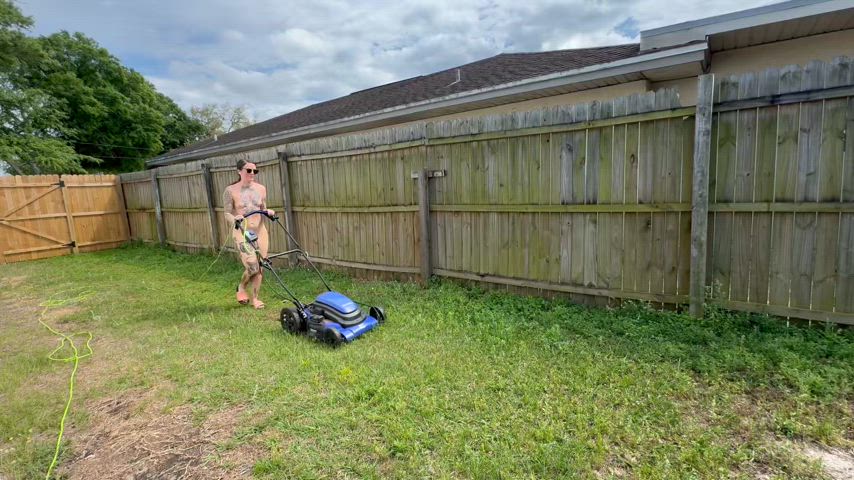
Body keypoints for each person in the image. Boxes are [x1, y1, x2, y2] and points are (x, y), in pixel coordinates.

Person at [222, 160, 275, 309]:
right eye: (249, 170)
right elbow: (226, 213)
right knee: (252, 265)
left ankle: (255, 299)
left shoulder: (261, 189)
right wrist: (234, 218)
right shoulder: (230, 190)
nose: (252, 173)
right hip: (242, 232)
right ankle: (241, 287)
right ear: (239, 171)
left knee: (261, 266)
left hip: (260, 231)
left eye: (255, 171)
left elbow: (263, 207)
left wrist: (269, 212)